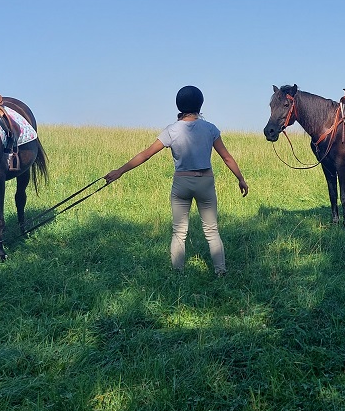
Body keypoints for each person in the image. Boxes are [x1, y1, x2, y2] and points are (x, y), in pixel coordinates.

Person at [104, 85, 249, 275]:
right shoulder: (210, 129)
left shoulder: (171, 130)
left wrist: (120, 171)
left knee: (179, 232)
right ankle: (220, 271)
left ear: (179, 105)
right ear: (200, 104)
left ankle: (177, 274)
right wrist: (240, 179)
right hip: (205, 182)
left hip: (182, 183)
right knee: (212, 231)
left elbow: (146, 154)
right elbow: (227, 157)